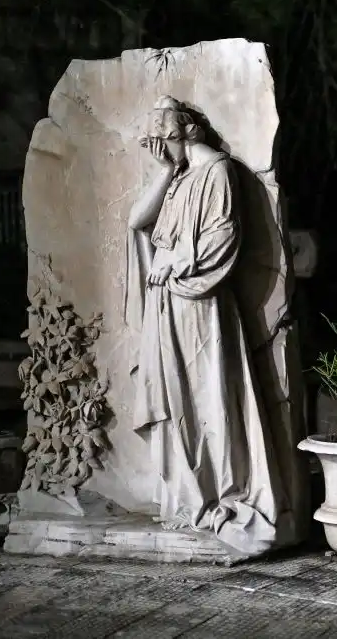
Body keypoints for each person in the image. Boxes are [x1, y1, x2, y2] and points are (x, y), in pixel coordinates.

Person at [125, 96, 288, 555]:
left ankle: (221, 491)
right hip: (168, 307)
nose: (159, 149)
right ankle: (188, 493)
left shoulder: (218, 171)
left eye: (163, 140)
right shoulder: (179, 179)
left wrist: (175, 262)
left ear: (184, 132)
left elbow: (224, 236)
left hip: (199, 306)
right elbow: (137, 221)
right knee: (178, 400)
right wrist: (165, 170)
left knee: (209, 398)